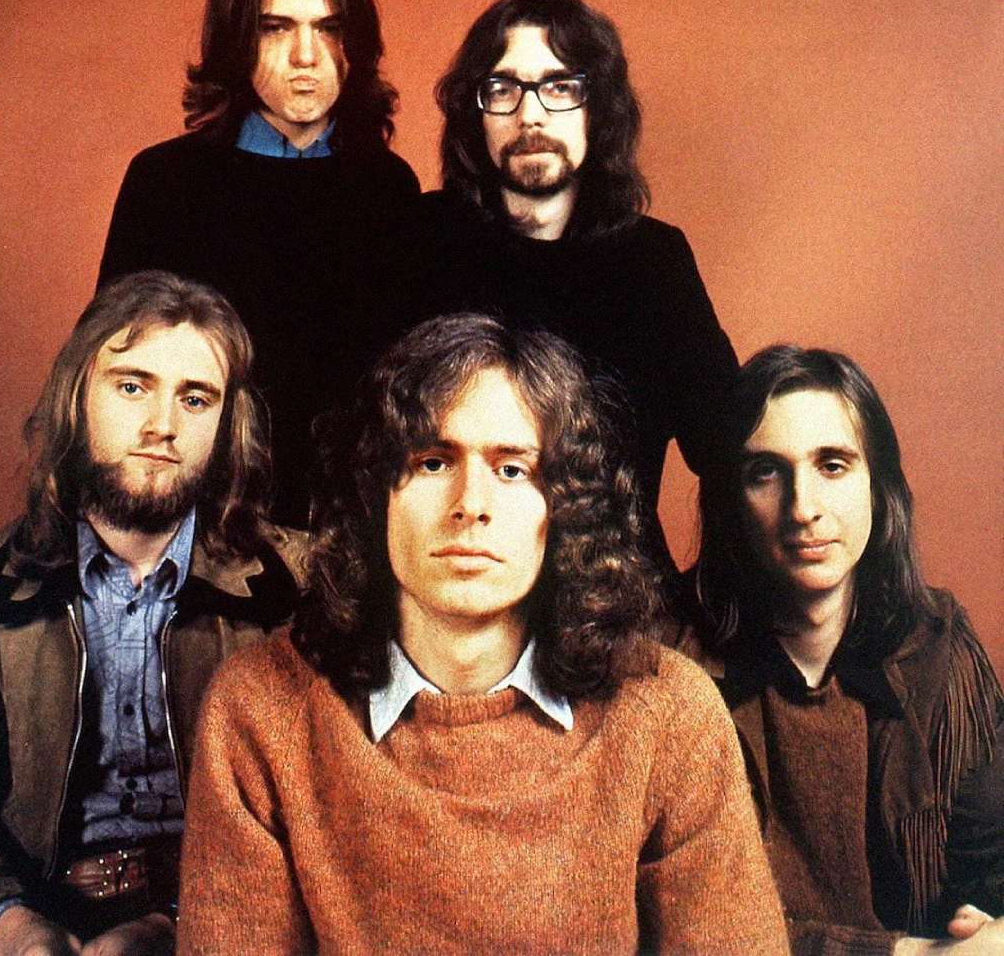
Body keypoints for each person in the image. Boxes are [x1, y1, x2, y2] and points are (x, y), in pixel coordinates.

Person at [176, 313, 787, 955]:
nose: (472, 503)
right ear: (373, 493)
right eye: (433, 462)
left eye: (514, 469)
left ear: (568, 508)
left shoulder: (670, 715)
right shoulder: (258, 710)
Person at [0, 271, 298, 956]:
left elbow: (316, 818)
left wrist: (173, 928)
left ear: (225, 422)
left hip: (223, 922)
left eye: (195, 398)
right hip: (38, 910)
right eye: (132, 386)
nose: (162, 426)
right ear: (78, 398)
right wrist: (14, 935)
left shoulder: (290, 589)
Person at [668, 345, 1004, 954]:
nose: (803, 508)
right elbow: (686, 925)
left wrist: (983, 922)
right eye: (766, 472)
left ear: (879, 486)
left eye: (832, 465)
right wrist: (909, 953)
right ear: (729, 501)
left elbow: (994, 856)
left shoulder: (940, 649)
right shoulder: (673, 670)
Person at [98, 0, 420, 527]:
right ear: (237, 41)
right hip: (193, 525)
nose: (306, 57)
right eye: (277, 29)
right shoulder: (164, 183)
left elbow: (402, 395)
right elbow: (113, 383)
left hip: (348, 530)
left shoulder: (390, 190)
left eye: (328, 29)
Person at [409, 0, 738, 576]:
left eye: (559, 88)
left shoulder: (655, 262)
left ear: (599, 109)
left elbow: (730, 452)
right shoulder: (420, 244)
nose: (530, 114)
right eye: (503, 89)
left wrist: (714, 610)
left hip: (618, 602)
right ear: (475, 114)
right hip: (455, 593)